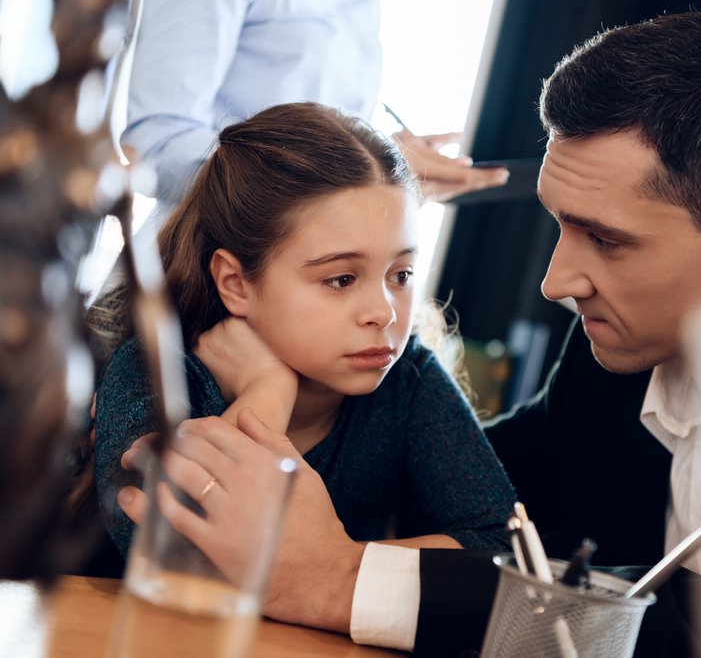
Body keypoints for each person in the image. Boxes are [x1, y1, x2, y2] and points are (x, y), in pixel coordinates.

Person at [119, 12, 701, 657]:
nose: (554, 280)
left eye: (606, 239)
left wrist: (344, 579)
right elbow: (486, 497)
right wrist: (293, 400)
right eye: (560, 225)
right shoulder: (621, 345)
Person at [92, 102, 516, 638]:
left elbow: (505, 552)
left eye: (401, 273)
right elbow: (170, 549)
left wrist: (334, 563)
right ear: (236, 283)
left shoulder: (409, 382)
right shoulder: (155, 371)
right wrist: (268, 390)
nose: (384, 311)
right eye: (340, 279)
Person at [121, 0, 508, 232]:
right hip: (190, 281)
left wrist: (384, 166)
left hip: (301, 277)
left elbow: (313, 126)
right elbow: (156, 144)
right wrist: (347, 176)